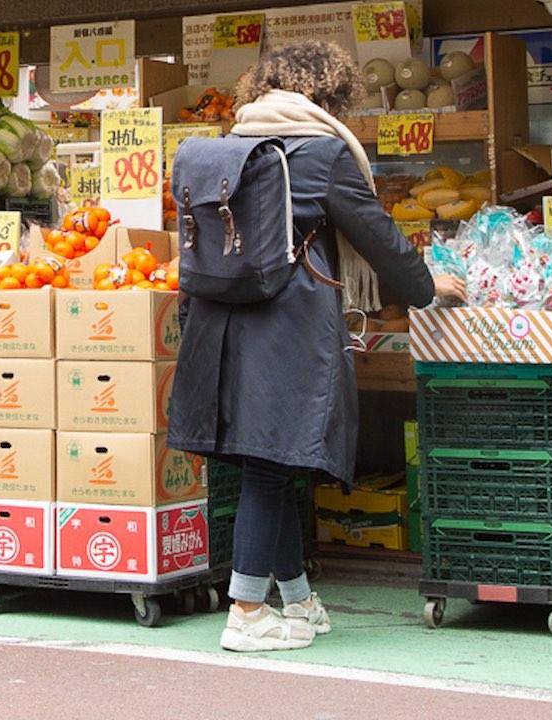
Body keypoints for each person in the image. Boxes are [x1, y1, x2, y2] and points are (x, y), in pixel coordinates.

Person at [168, 41, 465, 654]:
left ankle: (299, 600)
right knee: (274, 466)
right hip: (286, 328)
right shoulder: (321, 152)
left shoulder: (223, 152)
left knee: (266, 461)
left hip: (219, 328)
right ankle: (247, 612)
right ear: (328, 96)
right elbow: (379, 237)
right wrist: (426, 285)